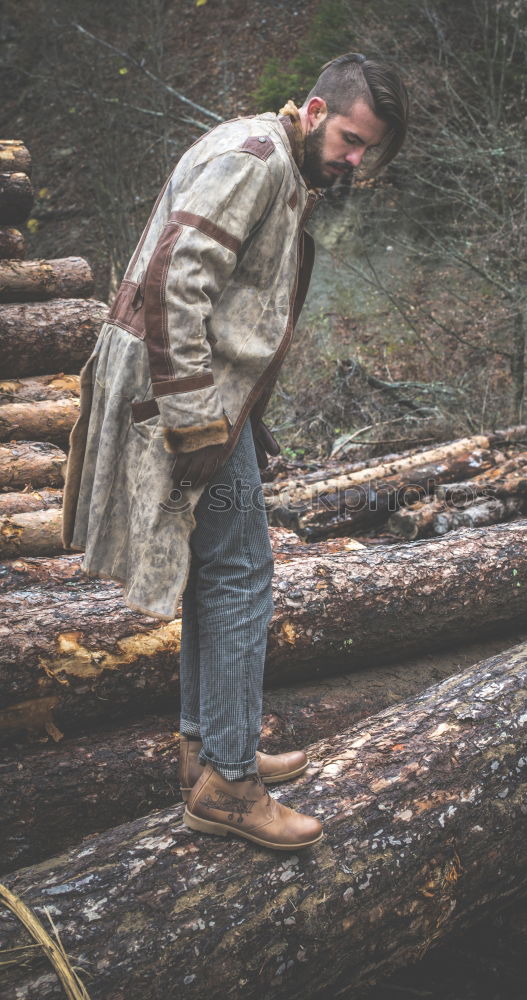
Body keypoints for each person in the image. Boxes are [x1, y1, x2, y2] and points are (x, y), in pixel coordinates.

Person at [62, 53, 409, 851]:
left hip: (206, 393)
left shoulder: (277, 158)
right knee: (242, 573)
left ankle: (207, 747)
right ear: (317, 110)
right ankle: (229, 782)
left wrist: (242, 417)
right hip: (181, 394)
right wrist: (193, 423)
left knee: (218, 569)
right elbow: (174, 284)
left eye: (367, 150)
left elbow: (227, 299)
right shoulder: (254, 163)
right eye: (352, 139)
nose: (355, 160)